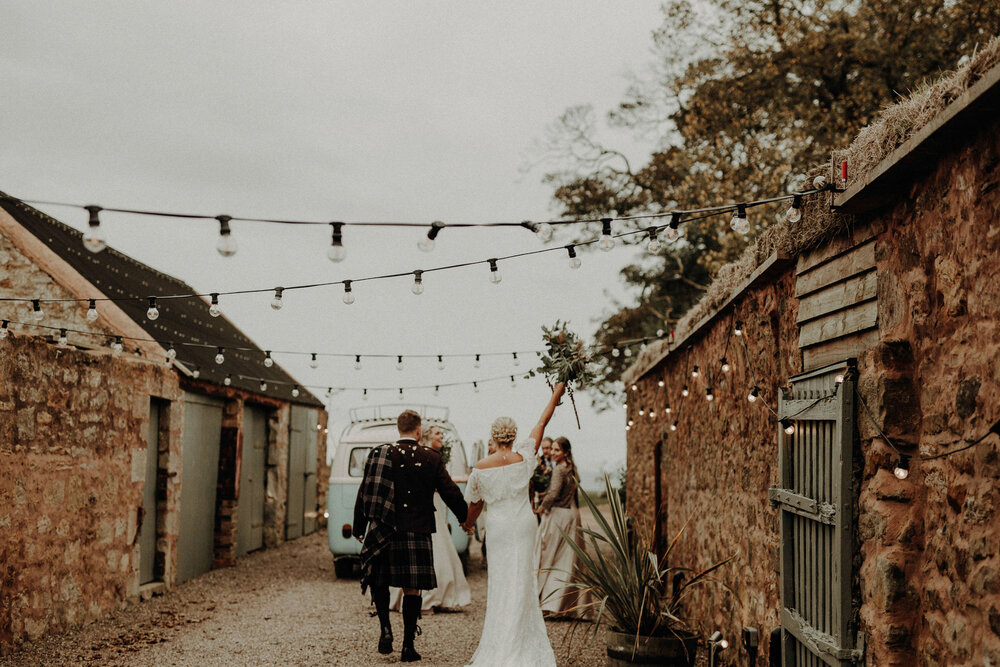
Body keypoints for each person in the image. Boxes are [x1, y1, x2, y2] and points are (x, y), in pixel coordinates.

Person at [459, 383, 566, 667]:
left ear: (494, 437)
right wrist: (556, 393)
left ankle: (501, 642)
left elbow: (475, 504)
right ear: (514, 435)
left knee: (501, 582)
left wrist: (468, 525)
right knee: (523, 578)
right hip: (523, 524)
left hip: (499, 527)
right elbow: (542, 421)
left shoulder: (481, 467)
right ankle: (521, 638)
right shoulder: (525, 457)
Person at [353, 409, 469, 663]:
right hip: (416, 530)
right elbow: (450, 491)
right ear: (418, 431)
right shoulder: (431, 457)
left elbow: (365, 492)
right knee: (412, 589)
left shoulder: (379, 454)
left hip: (384, 529)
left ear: (399, 428)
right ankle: (408, 646)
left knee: (380, 582)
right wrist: (465, 518)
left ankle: (385, 628)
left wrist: (359, 526)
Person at [389, 424, 472, 612]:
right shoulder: (427, 457)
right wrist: (466, 519)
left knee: (440, 548)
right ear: (425, 435)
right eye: (437, 433)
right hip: (425, 510)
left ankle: (434, 594)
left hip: (433, 506)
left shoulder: (433, 457)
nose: (441, 436)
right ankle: (427, 596)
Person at [534, 436, 588, 618]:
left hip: (558, 515)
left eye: (557, 450)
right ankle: (567, 604)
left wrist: (541, 508)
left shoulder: (558, 469)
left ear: (565, 452)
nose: (553, 453)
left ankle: (551, 604)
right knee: (568, 561)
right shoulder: (571, 469)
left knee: (551, 558)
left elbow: (554, 493)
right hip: (571, 514)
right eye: (553, 450)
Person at [528, 437, 554, 515]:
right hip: (541, 503)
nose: (545, 451)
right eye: (543, 448)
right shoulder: (538, 462)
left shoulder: (558, 460)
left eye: (547, 448)